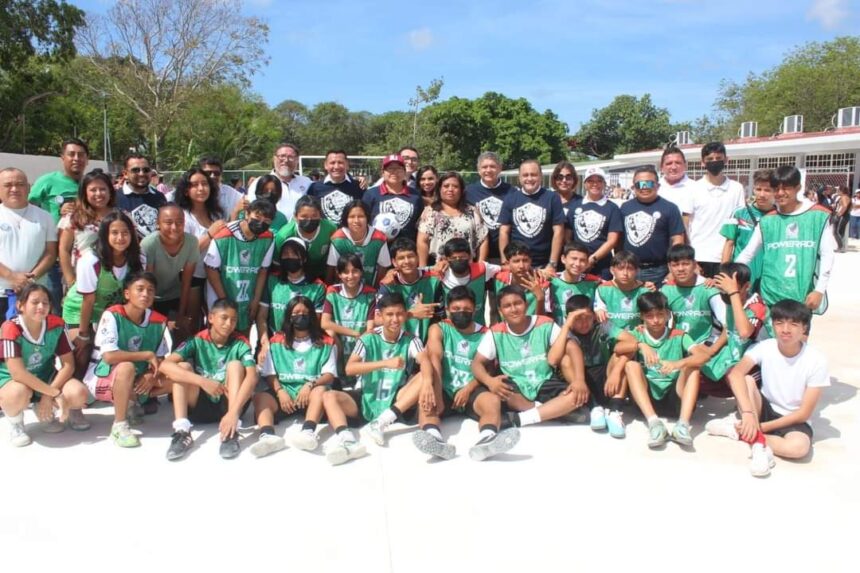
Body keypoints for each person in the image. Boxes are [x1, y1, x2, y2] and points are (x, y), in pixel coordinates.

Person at [707, 300, 829, 477]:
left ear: (804, 328)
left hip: (793, 419)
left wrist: (760, 428)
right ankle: (759, 447)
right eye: (779, 323)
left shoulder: (817, 360)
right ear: (773, 325)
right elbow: (735, 374)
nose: (785, 329)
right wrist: (749, 413)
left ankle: (740, 431)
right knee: (747, 380)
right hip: (763, 408)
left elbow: (803, 413)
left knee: (799, 448)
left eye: (793, 324)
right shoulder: (765, 347)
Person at [321, 292, 431, 465]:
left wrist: (428, 385)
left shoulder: (411, 339)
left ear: (405, 315)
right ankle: (348, 441)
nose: (395, 319)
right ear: (380, 315)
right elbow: (350, 368)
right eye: (390, 314)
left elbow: (424, 360)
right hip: (366, 397)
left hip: (396, 400)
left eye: (400, 314)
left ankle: (381, 422)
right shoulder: (368, 337)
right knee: (328, 396)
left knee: (424, 374)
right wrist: (385, 363)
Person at [413, 286, 520, 460]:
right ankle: (434, 439)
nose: (461, 313)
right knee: (427, 401)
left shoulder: (486, 333)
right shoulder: (438, 328)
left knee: (492, 402)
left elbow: (488, 369)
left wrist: (468, 389)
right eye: (456, 309)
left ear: (474, 309)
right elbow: (434, 359)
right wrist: (437, 393)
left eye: (466, 309)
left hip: (472, 388)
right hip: (445, 386)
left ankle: (487, 440)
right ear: (447, 310)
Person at [471, 285, 590, 430]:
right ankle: (552, 411)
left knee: (573, 397)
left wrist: (579, 380)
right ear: (501, 311)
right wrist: (490, 382)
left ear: (526, 305)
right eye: (507, 306)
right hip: (515, 385)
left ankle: (520, 419)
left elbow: (572, 347)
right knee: (497, 393)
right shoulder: (495, 333)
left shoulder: (544, 323)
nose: (514, 309)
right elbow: (477, 363)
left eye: (518, 303)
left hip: (544, 380)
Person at [160, 298, 257, 460]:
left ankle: (231, 433)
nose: (228, 324)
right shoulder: (197, 340)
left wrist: (233, 413)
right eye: (224, 318)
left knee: (235, 365)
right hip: (200, 403)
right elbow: (165, 365)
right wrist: (203, 382)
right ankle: (182, 432)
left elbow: (253, 376)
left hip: (229, 404)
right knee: (182, 367)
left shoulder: (240, 342)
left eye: (233, 320)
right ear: (211, 318)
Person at [83, 272, 171, 448]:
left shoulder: (158, 321)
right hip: (105, 376)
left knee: (180, 373)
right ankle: (119, 425)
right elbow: (109, 357)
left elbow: (161, 357)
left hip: (138, 377)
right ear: (127, 294)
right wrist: (146, 355)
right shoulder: (112, 315)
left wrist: (151, 375)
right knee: (126, 367)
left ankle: (132, 402)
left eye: (150, 290)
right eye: (140, 289)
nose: (145, 294)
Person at [614, 291, 709, 449]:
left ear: (668, 314)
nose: (656, 320)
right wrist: (639, 345)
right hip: (646, 399)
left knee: (693, 368)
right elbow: (618, 348)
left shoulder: (679, 335)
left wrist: (678, 364)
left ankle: (683, 426)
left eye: (660, 314)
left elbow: (703, 356)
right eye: (650, 316)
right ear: (642, 316)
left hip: (675, 397)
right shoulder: (637, 334)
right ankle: (654, 424)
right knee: (631, 365)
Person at [737, 166, 836, 317]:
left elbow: (827, 255)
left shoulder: (818, 216)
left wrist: (819, 290)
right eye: (776, 188)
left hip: (802, 298)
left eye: (786, 188)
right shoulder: (767, 220)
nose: (780, 193)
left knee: (795, 340)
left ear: (798, 188)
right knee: (770, 341)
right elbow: (747, 254)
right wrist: (730, 275)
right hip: (769, 298)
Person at [0, 284, 90, 446]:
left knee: (79, 392)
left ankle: (64, 411)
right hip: (14, 381)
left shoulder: (57, 325)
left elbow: (68, 365)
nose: (41, 306)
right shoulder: (10, 328)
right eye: (35, 302)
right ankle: (16, 423)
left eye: (45, 302)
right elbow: (18, 373)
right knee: (16, 394)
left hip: (45, 376)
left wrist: (48, 395)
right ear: (20, 305)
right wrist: (54, 393)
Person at [252, 296, 336, 457]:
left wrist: (310, 384)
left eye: (305, 312)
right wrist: (280, 391)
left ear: (312, 315)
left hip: (310, 394)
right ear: (289, 316)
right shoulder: (276, 341)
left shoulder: (326, 341)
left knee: (321, 392)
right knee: (260, 398)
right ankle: (268, 436)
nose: (301, 316)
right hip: (286, 395)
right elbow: (269, 373)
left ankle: (308, 431)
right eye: (296, 312)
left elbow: (329, 375)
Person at [63, 211, 144, 355]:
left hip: (109, 313)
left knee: (118, 349)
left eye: (125, 233)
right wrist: (83, 334)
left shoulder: (138, 259)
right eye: (114, 233)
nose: (120, 238)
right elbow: (88, 301)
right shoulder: (90, 260)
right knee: (84, 350)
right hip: (79, 310)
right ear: (105, 235)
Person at [28, 138, 89, 311]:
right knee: (53, 306)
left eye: (81, 154)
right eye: (71, 154)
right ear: (62, 157)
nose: (76, 158)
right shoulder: (47, 181)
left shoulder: (92, 184)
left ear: (87, 159)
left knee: (81, 305)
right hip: (54, 256)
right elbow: (28, 208)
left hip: (84, 257)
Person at [204, 199, 275, 336]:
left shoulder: (268, 237)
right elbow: (210, 269)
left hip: (247, 293)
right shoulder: (223, 235)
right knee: (220, 332)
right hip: (222, 291)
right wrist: (225, 301)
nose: (261, 222)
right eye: (257, 217)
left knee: (244, 332)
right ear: (247, 214)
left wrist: (256, 300)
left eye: (267, 220)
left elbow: (263, 270)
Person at [565, 295, 627, 438]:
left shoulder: (603, 326)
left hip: (605, 378)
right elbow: (553, 359)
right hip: (582, 383)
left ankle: (614, 411)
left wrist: (616, 372)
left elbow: (631, 342)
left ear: (594, 315)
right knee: (565, 359)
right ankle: (594, 408)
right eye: (578, 319)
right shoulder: (566, 332)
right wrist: (566, 326)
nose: (584, 323)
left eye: (587, 317)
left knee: (622, 355)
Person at [699, 262, 768, 391]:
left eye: (730, 289)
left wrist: (733, 293)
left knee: (733, 375)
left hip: (759, 362)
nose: (724, 293)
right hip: (734, 354)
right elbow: (730, 329)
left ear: (747, 286)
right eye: (723, 288)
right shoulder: (730, 299)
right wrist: (712, 351)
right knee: (694, 365)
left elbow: (743, 332)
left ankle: (751, 407)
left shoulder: (756, 305)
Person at [173, 168, 226, 332]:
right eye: (194, 185)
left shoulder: (216, 213)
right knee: (192, 320)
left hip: (216, 275)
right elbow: (184, 251)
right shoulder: (183, 215)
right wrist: (210, 234)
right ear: (186, 191)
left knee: (215, 318)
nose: (201, 189)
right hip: (192, 276)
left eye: (204, 184)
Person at [0, 168, 58, 318]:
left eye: (20, 184)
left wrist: (31, 278)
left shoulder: (45, 217)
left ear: (28, 187)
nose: (14, 189)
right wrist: (12, 276)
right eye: (8, 185)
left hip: (36, 295)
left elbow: (51, 253)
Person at [257, 237, 326, 359]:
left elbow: (316, 322)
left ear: (304, 258)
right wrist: (264, 343)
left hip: (304, 346)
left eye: (294, 254)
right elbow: (262, 316)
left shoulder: (317, 287)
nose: (289, 257)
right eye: (285, 254)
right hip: (273, 342)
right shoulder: (272, 281)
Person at [619, 165, 685, 287]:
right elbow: (619, 239)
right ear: (633, 187)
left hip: (659, 271)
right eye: (640, 184)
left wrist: (673, 269)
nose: (644, 188)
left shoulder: (670, 208)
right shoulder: (624, 208)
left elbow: (678, 240)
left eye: (649, 183)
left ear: (658, 186)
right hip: (629, 269)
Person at [141, 204, 199, 341]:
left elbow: (186, 281)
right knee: (155, 333)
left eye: (179, 222)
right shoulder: (149, 244)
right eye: (168, 222)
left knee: (183, 328)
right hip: (152, 296)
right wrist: (152, 318)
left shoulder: (191, 242)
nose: (174, 227)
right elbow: (148, 283)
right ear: (158, 224)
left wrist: (181, 314)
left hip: (175, 294)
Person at [688, 142, 746, 277]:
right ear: (702, 162)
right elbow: (685, 224)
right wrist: (691, 258)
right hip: (699, 257)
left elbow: (739, 222)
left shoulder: (736, 188)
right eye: (710, 159)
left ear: (726, 160)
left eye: (719, 159)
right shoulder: (693, 189)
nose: (714, 162)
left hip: (727, 257)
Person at [58, 170, 116, 302]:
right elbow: (63, 249)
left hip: (114, 282)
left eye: (102, 189)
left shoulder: (121, 216)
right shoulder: (74, 217)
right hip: (80, 281)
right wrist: (70, 280)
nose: (98, 194)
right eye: (93, 190)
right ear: (84, 192)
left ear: (110, 191)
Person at [321, 254, 377, 385]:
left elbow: (370, 327)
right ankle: (336, 378)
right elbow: (325, 323)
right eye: (345, 272)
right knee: (329, 334)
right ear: (339, 274)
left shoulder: (370, 293)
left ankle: (361, 379)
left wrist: (361, 336)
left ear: (361, 272)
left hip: (361, 343)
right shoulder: (333, 291)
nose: (350, 276)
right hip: (342, 344)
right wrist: (354, 333)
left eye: (355, 271)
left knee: (370, 337)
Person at [499, 159, 565, 271]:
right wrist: (505, 261)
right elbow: (503, 231)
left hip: (543, 264)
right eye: (525, 175)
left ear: (540, 176)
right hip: (517, 262)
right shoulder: (510, 199)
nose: (529, 178)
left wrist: (552, 263)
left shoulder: (552, 198)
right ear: (519, 177)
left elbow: (558, 232)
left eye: (533, 175)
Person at [376, 237, 444, 343]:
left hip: (427, 344)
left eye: (410, 256)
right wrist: (410, 314)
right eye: (401, 258)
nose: (407, 261)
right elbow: (377, 321)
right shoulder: (388, 285)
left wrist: (432, 341)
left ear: (417, 258)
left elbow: (440, 318)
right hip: (397, 345)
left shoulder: (434, 281)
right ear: (394, 262)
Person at [720, 169, 776, 292]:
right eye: (758, 189)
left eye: (767, 190)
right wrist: (724, 274)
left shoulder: (780, 216)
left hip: (769, 278)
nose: (762, 194)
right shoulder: (739, 213)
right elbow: (729, 244)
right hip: (743, 276)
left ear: (775, 191)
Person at [416, 171, 488, 266]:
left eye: (455, 186)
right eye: (446, 186)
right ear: (439, 189)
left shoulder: (472, 211)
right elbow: (422, 241)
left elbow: (483, 239)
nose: (450, 189)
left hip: (467, 268)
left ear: (461, 190)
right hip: (438, 267)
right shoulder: (431, 212)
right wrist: (423, 267)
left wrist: (480, 266)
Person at [660, 244, 725, 345]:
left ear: (695, 264)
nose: (680, 269)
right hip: (678, 344)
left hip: (707, 345)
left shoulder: (708, 288)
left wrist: (712, 351)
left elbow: (728, 326)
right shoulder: (666, 291)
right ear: (669, 267)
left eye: (685, 264)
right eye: (675, 265)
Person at [567, 166, 622, 279]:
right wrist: (577, 258)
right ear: (585, 184)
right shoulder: (575, 205)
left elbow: (612, 240)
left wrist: (592, 259)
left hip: (602, 266)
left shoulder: (612, 208)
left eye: (599, 181)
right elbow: (568, 236)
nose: (595, 184)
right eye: (590, 181)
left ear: (604, 184)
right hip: (577, 264)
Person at [435, 238, 501, 326]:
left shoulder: (482, 269)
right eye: (453, 258)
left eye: (462, 257)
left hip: (478, 328)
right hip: (451, 329)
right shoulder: (441, 271)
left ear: (470, 256)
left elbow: (507, 269)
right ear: (447, 259)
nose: (458, 260)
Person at [326, 200, 391, 286]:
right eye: (352, 217)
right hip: (344, 290)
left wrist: (375, 291)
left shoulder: (379, 239)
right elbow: (332, 268)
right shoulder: (338, 239)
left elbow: (383, 268)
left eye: (361, 216)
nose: (356, 220)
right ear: (346, 219)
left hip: (370, 290)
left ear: (367, 217)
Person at [273, 196, 336, 282]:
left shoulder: (330, 229)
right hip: (292, 277)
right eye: (304, 216)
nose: (310, 220)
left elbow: (334, 258)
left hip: (321, 275)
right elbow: (277, 264)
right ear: (295, 216)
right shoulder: (284, 235)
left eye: (314, 216)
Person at [465, 151, 514, 261]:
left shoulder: (512, 191)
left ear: (499, 168)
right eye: (484, 167)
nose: (488, 170)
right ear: (478, 170)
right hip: (478, 253)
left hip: (504, 253)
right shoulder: (469, 191)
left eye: (492, 166)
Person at [363, 154, 423, 243]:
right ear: (383, 172)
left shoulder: (415, 195)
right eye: (390, 169)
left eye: (399, 168)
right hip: (378, 247)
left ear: (404, 171)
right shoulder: (371, 194)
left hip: (406, 250)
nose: (394, 172)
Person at [246, 143, 312, 221]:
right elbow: (251, 210)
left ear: (297, 160)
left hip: (299, 231)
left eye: (291, 157)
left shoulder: (307, 182)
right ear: (274, 159)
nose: (286, 160)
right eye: (282, 156)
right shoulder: (258, 182)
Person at [594, 251, 652, 332]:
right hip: (610, 335)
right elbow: (599, 310)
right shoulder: (603, 289)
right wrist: (599, 310)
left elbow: (651, 316)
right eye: (620, 268)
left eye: (630, 269)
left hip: (636, 335)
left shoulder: (644, 290)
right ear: (612, 270)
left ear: (637, 271)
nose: (625, 273)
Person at [548, 242, 601, 325]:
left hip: (583, 334)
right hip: (555, 334)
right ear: (563, 259)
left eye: (582, 260)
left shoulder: (594, 283)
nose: (577, 264)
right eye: (574, 259)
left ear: (587, 263)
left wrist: (600, 309)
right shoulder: (551, 281)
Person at [306, 149, 365, 224]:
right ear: (326, 165)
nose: (336, 167)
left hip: (349, 234)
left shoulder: (358, 186)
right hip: (326, 234)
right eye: (332, 163)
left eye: (340, 162)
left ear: (347, 165)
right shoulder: (315, 188)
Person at [493, 242, 551, 316]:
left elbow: (543, 321)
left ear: (531, 261)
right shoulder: (498, 280)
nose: (521, 266)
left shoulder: (543, 283)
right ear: (508, 263)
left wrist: (540, 298)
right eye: (516, 261)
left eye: (525, 260)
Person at [117, 154, 166, 238]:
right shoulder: (114, 198)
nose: (141, 174)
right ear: (125, 174)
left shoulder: (159, 197)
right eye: (135, 170)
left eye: (146, 170)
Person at [198, 155, 243, 220]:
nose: (212, 176)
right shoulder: (194, 192)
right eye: (208, 173)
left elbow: (245, 201)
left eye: (216, 173)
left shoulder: (230, 193)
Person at [657, 146, 694, 226]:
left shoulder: (696, 188)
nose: (673, 167)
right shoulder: (654, 188)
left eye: (678, 163)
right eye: (669, 163)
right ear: (661, 167)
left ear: (685, 165)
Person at [832, 185, 851, 252]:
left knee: (836, 232)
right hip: (845, 216)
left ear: (842, 191)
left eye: (838, 190)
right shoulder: (846, 197)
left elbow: (845, 206)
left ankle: (841, 247)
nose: (837, 191)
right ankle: (841, 247)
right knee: (840, 231)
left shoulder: (844, 197)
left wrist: (839, 214)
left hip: (843, 216)